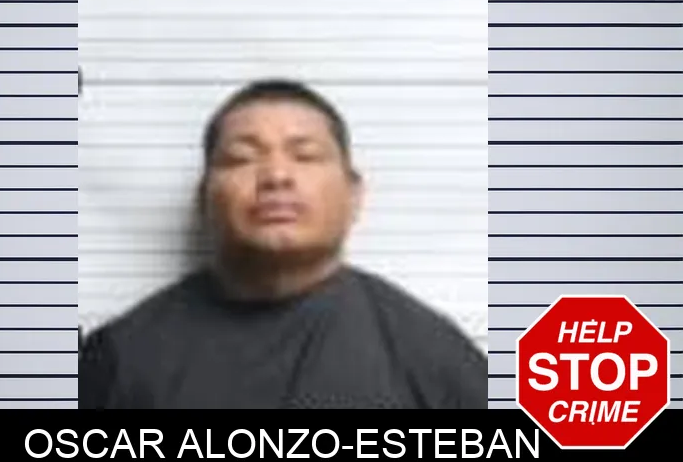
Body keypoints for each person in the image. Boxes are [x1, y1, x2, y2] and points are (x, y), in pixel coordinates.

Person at [78, 79, 488, 409]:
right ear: (203, 200)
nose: (276, 175)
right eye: (241, 158)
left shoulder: (434, 356)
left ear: (354, 195)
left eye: (305, 156)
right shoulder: (119, 359)